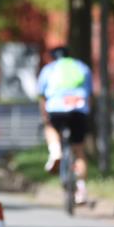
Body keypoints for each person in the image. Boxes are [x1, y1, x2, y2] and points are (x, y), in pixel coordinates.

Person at [36, 46, 92, 205]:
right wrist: (86, 113)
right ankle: (81, 189)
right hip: (79, 108)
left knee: (50, 127)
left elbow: (42, 95)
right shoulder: (82, 67)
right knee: (79, 150)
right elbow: (89, 94)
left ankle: (56, 152)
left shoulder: (48, 69)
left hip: (57, 108)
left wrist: (44, 115)